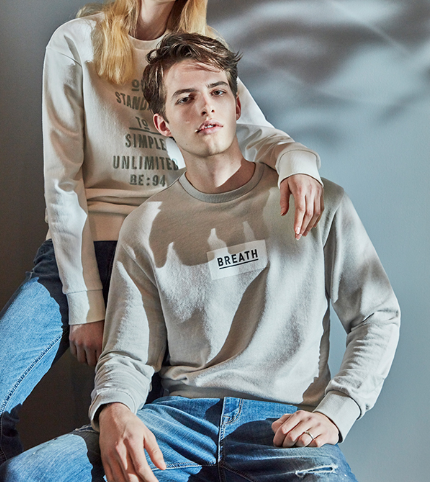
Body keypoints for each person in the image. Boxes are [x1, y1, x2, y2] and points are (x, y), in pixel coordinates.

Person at [0, 0, 324, 464]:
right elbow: (62, 181)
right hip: (81, 251)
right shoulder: (76, 42)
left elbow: (257, 133)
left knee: (141, 439)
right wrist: (87, 303)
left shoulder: (199, 53)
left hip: (167, 259)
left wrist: (300, 162)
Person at [0, 33, 400, 482]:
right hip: (176, 424)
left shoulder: (316, 201)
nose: (206, 107)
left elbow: (377, 316)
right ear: (163, 124)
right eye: (185, 98)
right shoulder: (145, 225)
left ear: (237, 106)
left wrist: (338, 410)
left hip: (281, 428)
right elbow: (129, 353)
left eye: (217, 92)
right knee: (27, 474)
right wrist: (114, 411)